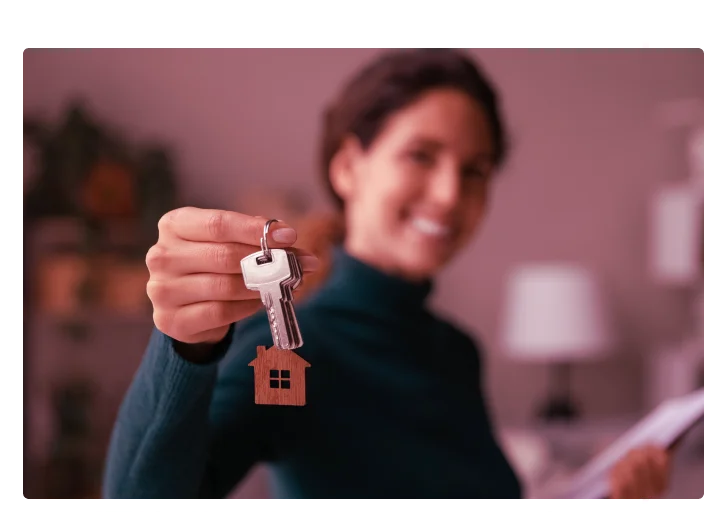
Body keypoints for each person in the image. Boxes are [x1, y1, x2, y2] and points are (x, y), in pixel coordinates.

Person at [102, 48, 672, 503]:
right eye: (422, 155)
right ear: (349, 167)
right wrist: (186, 347)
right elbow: (143, 504)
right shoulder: (290, 347)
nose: (450, 195)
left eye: (474, 171)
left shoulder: (454, 351)